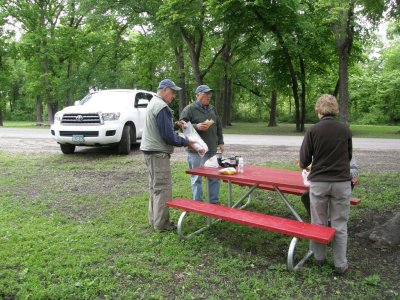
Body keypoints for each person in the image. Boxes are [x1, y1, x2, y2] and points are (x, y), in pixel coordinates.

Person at [299, 94, 353, 276]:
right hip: (342, 182)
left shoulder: (313, 131)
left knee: (318, 221)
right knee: (340, 224)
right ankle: (340, 264)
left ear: (319, 110)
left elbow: (304, 160)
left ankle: (319, 258)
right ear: (335, 109)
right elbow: (349, 156)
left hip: (320, 182)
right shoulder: (345, 130)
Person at [140, 79, 194, 232]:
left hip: (149, 152)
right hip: (158, 154)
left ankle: (154, 220)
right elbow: (167, 136)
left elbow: (163, 129)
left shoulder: (153, 103)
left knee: (155, 187)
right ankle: (162, 224)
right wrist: (186, 142)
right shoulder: (161, 106)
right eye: (172, 92)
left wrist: (173, 128)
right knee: (163, 188)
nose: (174, 96)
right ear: (164, 90)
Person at [180, 85, 224, 204]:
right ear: (197, 95)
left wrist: (221, 142)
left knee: (214, 176)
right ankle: (198, 203)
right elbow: (181, 127)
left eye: (209, 94)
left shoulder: (212, 109)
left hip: (211, 149)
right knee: (196, 177)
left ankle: (214, 202)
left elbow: (218, 125)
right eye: (205, 94)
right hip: (196, 150)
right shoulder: (189, 109)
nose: (208, 96)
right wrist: (196, 126)